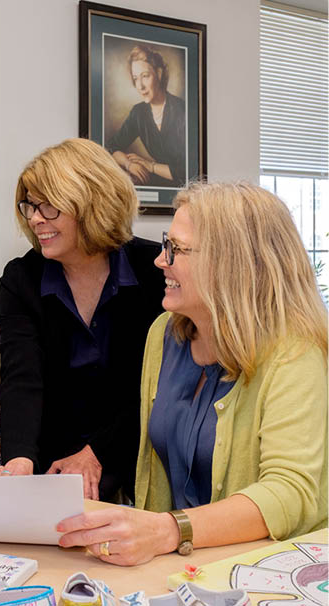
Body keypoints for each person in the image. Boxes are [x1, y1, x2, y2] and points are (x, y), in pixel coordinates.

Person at [57, 182, 328, 565]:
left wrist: (168, 530)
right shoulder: (164, 334)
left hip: (270, 567)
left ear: (232, 262)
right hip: (183, 563)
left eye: (178, 249)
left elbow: (288, 493)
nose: (160, 260)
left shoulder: (295, 353)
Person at [0, 138, 165, 501]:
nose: (35, 218)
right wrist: (18, 460)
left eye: (48, 206)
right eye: (30, 206)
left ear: (91, 202)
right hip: (52, 463)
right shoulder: (22, 279)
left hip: (140, 446)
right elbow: (22, 379)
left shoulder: (155, 270)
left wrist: (97, 453)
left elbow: (158, 388)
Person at [107, 44, 186, 188]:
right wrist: (129, 163)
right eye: (136, 78)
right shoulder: (139, 113)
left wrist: (149, 166)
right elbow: (111, 147)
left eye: (145, 76)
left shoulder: (181, 110)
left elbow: (186, 171)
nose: (140, 86)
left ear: (159, 74)